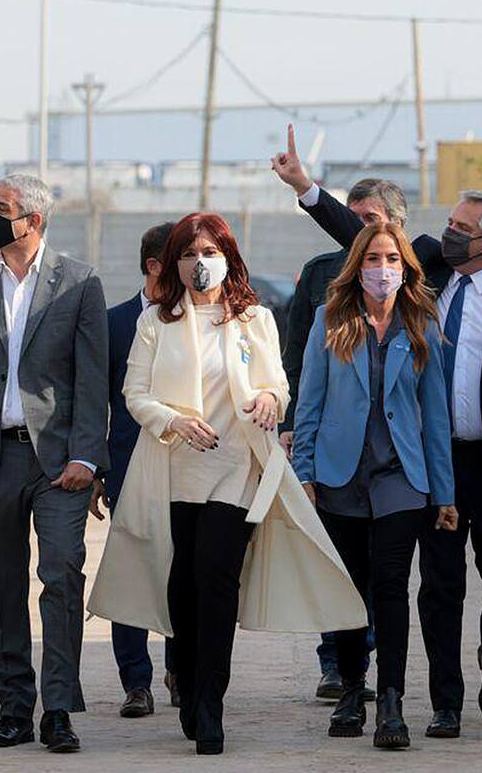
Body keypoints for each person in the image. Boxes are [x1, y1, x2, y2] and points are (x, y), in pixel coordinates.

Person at [272, 124, 482, 739]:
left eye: (463, 228)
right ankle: (441, 701)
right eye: (451, 225)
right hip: (425, 465)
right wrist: (308, 190)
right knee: (433, 588)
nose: (448, 234)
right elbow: (368, 243)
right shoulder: (423, 271)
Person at [86, 212, 366, 756]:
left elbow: (276, 384)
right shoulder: (156, 322)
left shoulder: (254, 318)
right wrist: (174, 420)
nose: (199, 263)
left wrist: (269, 400)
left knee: (217, 581)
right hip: (172, 468)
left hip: (236, 467)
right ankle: (187, 684)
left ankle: (211, 703)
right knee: (182, 586)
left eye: (209, 252)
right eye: (189, 254)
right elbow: (134, 394)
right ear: (174, 264)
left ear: (228, 258)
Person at [0, 173, 109, 753]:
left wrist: (88, 454)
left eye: (0, 208)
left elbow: (92, 379)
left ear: (32, 221)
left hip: (60, 465)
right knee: (2, 585)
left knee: (60, 577)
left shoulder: (79, 283)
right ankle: (13, 707)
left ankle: (58, 709)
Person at [292, 221, 457, 749]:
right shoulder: (329, 319)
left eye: (391, 259)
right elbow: (310, 402)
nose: (381, 269)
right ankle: (350, 687)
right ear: (356, 266)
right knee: (348, 590)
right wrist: (304, 472)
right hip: (340, 474)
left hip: (400, 480)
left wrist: (445, 493)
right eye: (372, 259)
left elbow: (435, 415)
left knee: (389, 587)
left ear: (405, 267)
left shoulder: (422, 323)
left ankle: (391, 700)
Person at [280, 178, 405, 702]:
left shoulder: (413, 278)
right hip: (335, 455)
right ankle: (338, 665)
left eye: (368, 219)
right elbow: (299, 364)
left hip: (395, 463)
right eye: (349, 218)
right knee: (339, 567)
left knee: (386, 576)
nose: (355, 231)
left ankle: (381, 679)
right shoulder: (319, 278)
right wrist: (294, 432)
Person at [89, 221, 178, 716]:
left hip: (186, 467)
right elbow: (96, 401)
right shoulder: (113, 323)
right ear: (154, 267)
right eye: (181, 257)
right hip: (127, 466)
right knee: (131, 572)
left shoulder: (197, 320)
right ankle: (136, 682)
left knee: (180, 572)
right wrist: (98, 467)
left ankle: (179, 670)